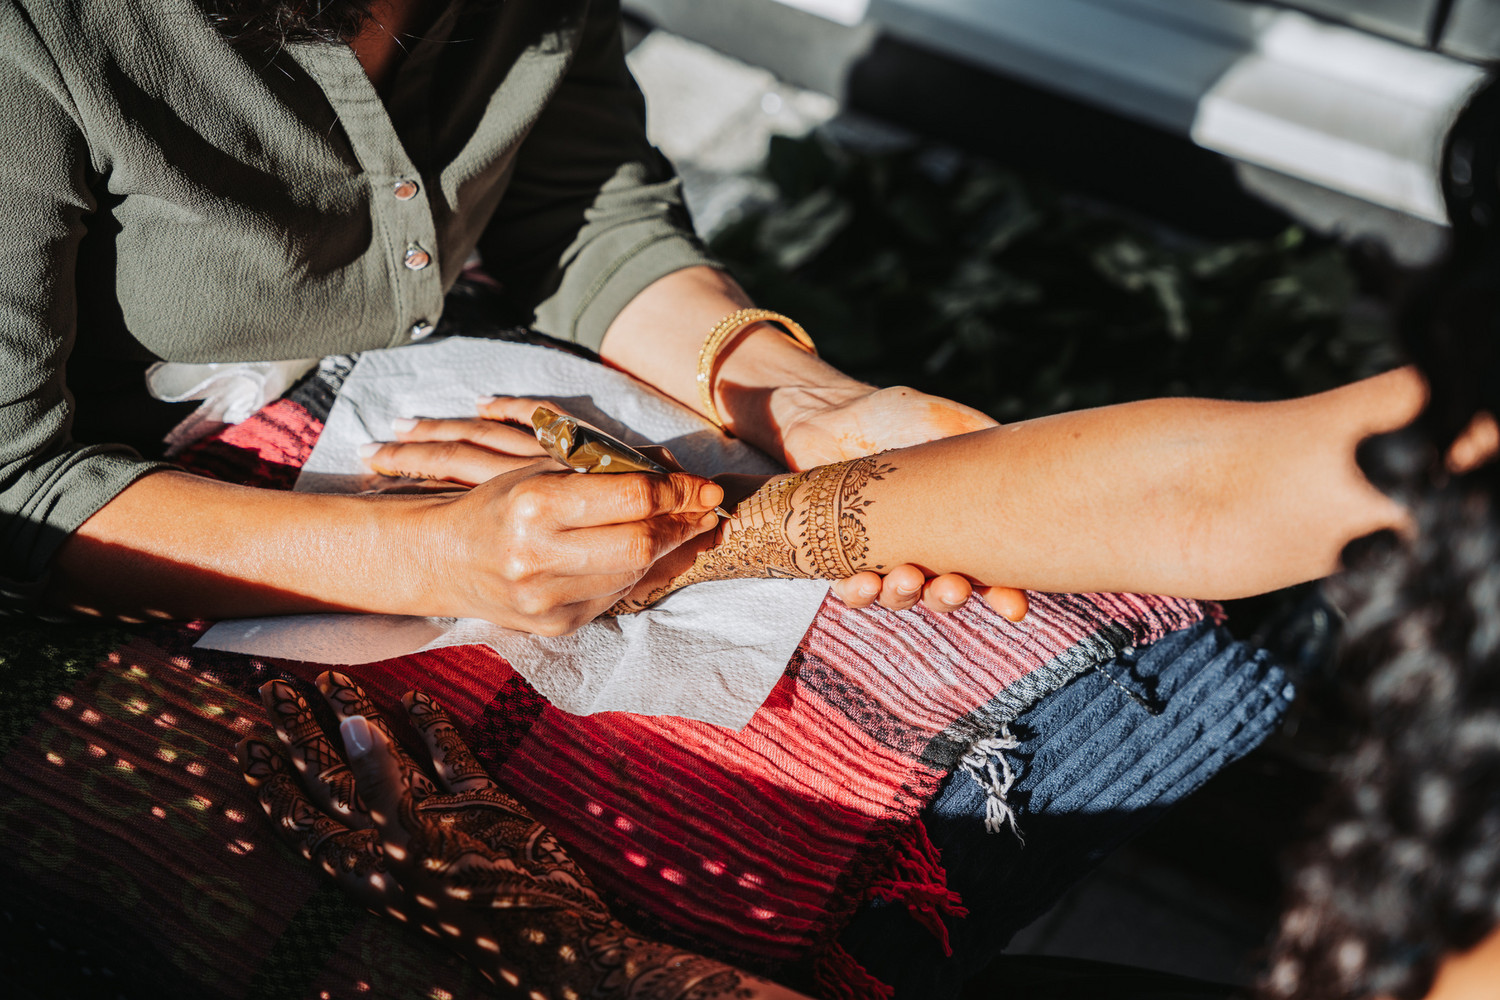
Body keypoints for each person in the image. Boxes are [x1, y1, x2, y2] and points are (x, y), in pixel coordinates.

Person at [0, 0, 1015, 631]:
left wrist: (799, 401)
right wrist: (436, 559)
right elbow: (16, 489)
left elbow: (579, 210)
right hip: (135, 519)